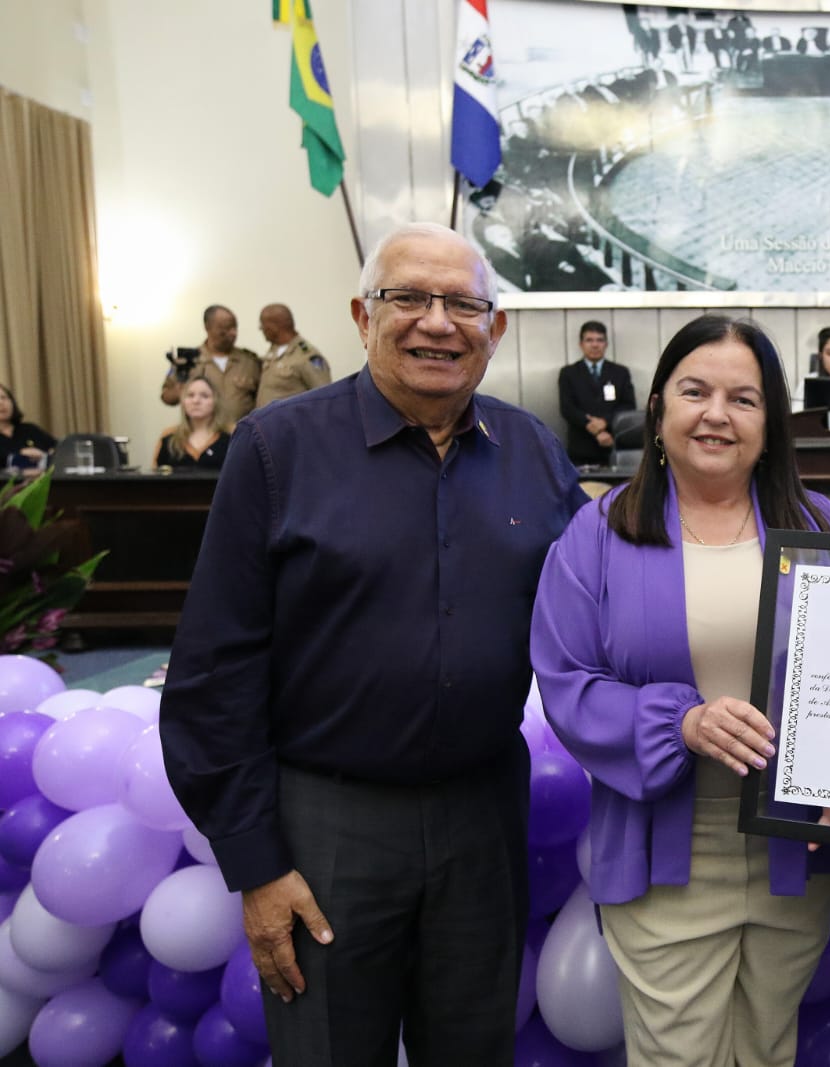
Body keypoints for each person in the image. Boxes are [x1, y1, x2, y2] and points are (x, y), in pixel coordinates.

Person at [161, 222, 588, 1066]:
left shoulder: (534, 453)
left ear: (494, 330)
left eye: (463, 303)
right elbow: (215, 670)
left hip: (482, 821)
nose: (438, 321)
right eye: (409, 299)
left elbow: (604, 609)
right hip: (325, 831)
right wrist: (256, 864)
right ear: (363, 316)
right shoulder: (277, 449)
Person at [529, 314, 830, 1067]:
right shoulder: (598, 532)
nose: (717, 413)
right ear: (656, 408)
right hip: (662, 851)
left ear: (772, 424)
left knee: (770, 1047)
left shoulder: (824, 529)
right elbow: (566, 679)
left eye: (744, 398)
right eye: (695, 390)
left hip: (793, 850)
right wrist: (678, 723)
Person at [160, 305, 261, 429]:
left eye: (235, 327)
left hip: (242, 436)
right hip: (203, 438)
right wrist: (180, 390)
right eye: (226, 328)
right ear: (208, 327)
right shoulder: (187, 362)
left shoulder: (250, 362)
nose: (233, 333)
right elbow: (167, 397)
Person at [557, 320, 636, 466]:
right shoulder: (569, 373)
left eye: (599, 340)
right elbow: (567, 408)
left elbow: (628, 406)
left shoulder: (620, 373)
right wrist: (594, 428)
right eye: (589, 340)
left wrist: (605, 422)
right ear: (581, 344)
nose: (595, 345)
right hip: (580, 451)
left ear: (606, 344)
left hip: (613, 446)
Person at [256, 304, 332, 409]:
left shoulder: (306, 355)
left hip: (292, 424)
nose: (261, 328)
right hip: (267, 423)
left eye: (263, 324)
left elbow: (324, 397)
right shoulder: (273, 352)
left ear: (275, 326)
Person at [153, 376, 230, 469]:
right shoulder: (169, 439)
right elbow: (156, 476)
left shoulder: (229, 438)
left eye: (204, 396)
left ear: (215, 401)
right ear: (183, 401)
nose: (196, 401)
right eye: (190, 395)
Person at [0, 383, 55, 472]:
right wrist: (20, 456)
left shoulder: (30, 429)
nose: (1, 402)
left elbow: (57, 449)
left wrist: (45, 456)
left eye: (4, 398)